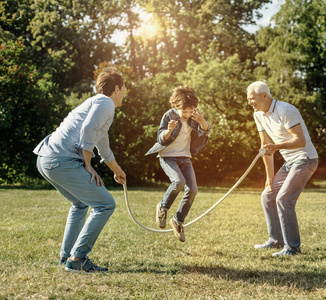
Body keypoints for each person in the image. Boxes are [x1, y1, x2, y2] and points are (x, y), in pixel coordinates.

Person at [33, 67, 127, 273]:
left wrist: (117, 170)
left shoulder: (97, 104)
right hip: (62, 160)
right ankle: (77, 258)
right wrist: (87, 165)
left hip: (47, 159)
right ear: (117, 88)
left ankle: (66, 256)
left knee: (80, 204)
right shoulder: (106, 102)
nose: (125, 92)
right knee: (105, 205)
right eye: (124, 88)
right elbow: (87, 131)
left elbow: (103, 145)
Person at [247, 81, 318, 257]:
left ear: (264, 96)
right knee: (268, 195)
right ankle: (275, 240)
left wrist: (276, 147)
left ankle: (292, 248)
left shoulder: (286, 110)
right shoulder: (258, 115)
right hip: (289, 163)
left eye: (251, 99)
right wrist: (269, 178)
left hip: (305, 159)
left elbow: (300, 140)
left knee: (284, 199)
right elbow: (266, 146)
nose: (249, 103)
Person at [145, 86, 210, 242]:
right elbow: (161, 138)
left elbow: (205, 131)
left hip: (185, 157)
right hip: (168, 157)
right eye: (184, 112)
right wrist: (169, 130)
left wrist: (201, 121)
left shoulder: (194, 115)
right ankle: (162, 207)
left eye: (190, 111)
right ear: (175, 106)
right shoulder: (168, 116)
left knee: (193, 189)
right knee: (178, 182)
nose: (187, 115)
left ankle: (178, 220)